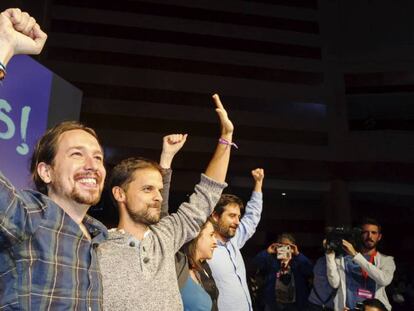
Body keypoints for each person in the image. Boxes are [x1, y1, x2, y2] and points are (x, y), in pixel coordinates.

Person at [0, 8, 110, 310]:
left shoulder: (99, 237)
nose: (93, 165)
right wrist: (4, 48)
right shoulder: (26, 216)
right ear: (45, 172)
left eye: (98, 157)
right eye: (77, 154)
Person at [97, 94, 234, 310]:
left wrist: (226, 137)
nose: (159, 197)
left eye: (160, 190)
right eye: (147, 189)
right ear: (119, 194)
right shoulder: (98, 248)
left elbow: (208, 192)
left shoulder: (165, 237)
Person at [208, 169, 264, 311]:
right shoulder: (204, 248)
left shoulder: (234, 240)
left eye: (238, 216)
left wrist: (258, 183)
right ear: (215, 216)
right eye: (232, 216)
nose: (237, 221)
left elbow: (252, 218)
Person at [326, 218, 396, 310]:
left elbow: (384, 280)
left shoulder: (386, 260)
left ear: (379, 237)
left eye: (373, 233)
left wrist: (355, 255)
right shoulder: (344, 259)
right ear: (360, 235)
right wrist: (329, 255)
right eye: (365, 232)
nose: (369, 236)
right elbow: (334, 283)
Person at [253, 233, 313, 311]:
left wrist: (297, 254)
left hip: (295, 304)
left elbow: (309, 270)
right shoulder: (270, 261)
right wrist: (267, 252)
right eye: (281, 245)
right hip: (273, 304)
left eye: (287, 246)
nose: (284, 248)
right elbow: (256, 263)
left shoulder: (298, 261)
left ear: (292, 247)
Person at [180, 218, 219, 311]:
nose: (215, 242)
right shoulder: (178, 269)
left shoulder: (200, 269)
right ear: (196, 236)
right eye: (211, 235)